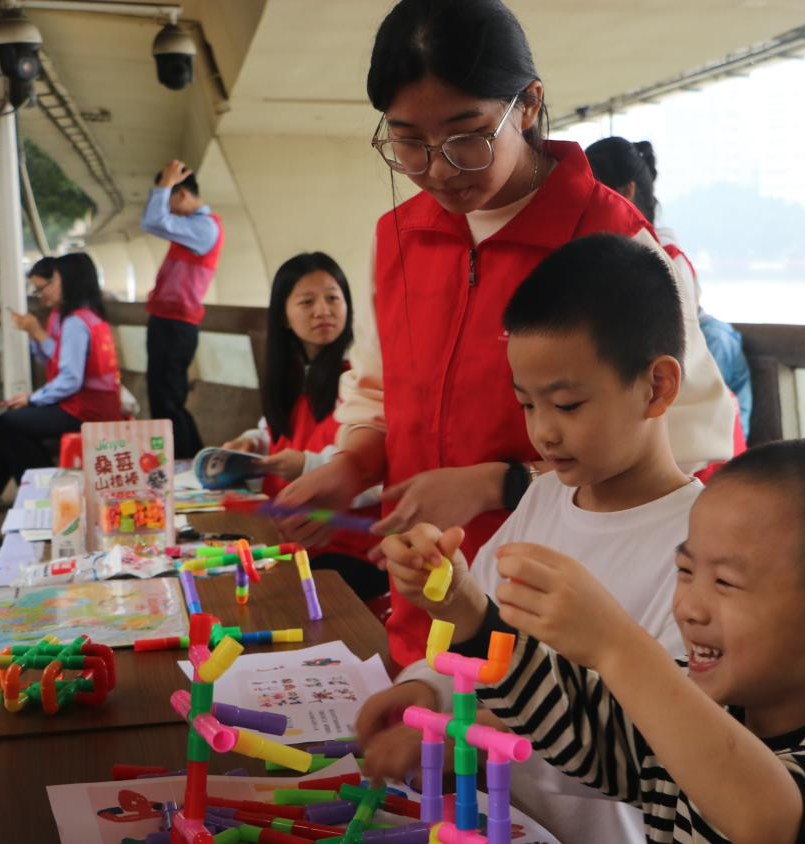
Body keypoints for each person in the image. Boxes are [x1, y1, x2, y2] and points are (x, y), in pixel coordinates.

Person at [276, 0, 736, 669]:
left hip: (556, 625)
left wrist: (505, 484)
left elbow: (689, 444)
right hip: (424, 599)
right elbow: (377, 387)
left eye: (467, 136)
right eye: (408, 142)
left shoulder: (614, 244)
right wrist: (352, 466)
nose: (438, 169)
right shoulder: (399, 237)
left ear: (528, 106)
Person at [383, 438, 805, 843]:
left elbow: (769, 821)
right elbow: (576, 719)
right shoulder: (697, 707)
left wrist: (618, 645)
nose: (688, 606)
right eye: (685, 571)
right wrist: (465, 608)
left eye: (725, 582)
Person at [357, 234, 701, 843]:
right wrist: (426, 686)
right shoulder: (543, 498)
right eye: (526, 404)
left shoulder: (701, 549)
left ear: (657, 387)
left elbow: (650, 741)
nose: (543, 432)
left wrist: (456, 734)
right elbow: (479, 645)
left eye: (566, 405)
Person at [221, 253, 386, 602]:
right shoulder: (293, 376)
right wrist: (252, 442)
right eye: (307, 301)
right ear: (283, 315)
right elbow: (277, 429)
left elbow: (382, 470)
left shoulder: (361, 378)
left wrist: (307, 465)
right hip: (292, 536)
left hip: (350, 544)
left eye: (333, 297)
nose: (323, 310)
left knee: (265, 596)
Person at [585, 136, 753, 439]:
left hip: (705, 350)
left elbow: (676, 340)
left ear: (626, 191)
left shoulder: (663, 258)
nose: (583, 204)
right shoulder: (628, 253)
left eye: (593, 192)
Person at [0, 254, 121, 509]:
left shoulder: (76, 322)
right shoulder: (79, 317)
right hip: (82, 404)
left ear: (69, 280)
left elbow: (70, 379)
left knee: (9, 423)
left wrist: (33, 399)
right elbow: (57, 360)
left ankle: (46, 495)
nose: (42, 293)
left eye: (51, 282)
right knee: (9, 421)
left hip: (86, 410)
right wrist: (34, 334)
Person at [139, 159, 224, 459]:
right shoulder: (191, 228)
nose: (167, 209)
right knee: (165, 400)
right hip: (168, 322)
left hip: (176, 326)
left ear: (182, 194)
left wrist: (165, 184)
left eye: (168, 199)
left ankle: (188, 462)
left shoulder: (204, 227)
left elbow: (152, 221)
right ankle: (193, 460)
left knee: (168, 403)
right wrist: (165, 188)